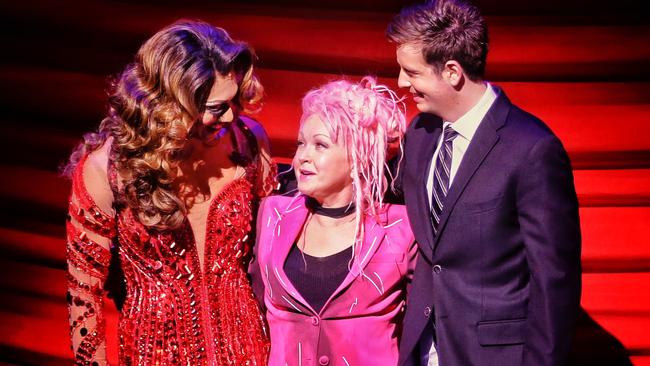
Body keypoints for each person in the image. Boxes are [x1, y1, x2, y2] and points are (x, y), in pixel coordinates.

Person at [63, 20, 277, 365]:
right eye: (215, 108)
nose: (230, 116)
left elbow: (273, 254)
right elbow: (83, 300)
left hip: (249, 350)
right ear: (169, 103)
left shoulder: (249, 140)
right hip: (155, 353)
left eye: (234, 99)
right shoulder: (109, 168)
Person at [386, 1, 582, 365]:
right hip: (422, 348)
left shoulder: (532, 149)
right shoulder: (420, 134)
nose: (400, 82)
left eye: (410, 72)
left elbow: (554, 280)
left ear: (451, 72)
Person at [250, 77, 417, 365]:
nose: (303, 157)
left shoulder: (401, 228)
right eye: (301, 143)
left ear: (358, 158)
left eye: (320, 145)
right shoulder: (272, 215)